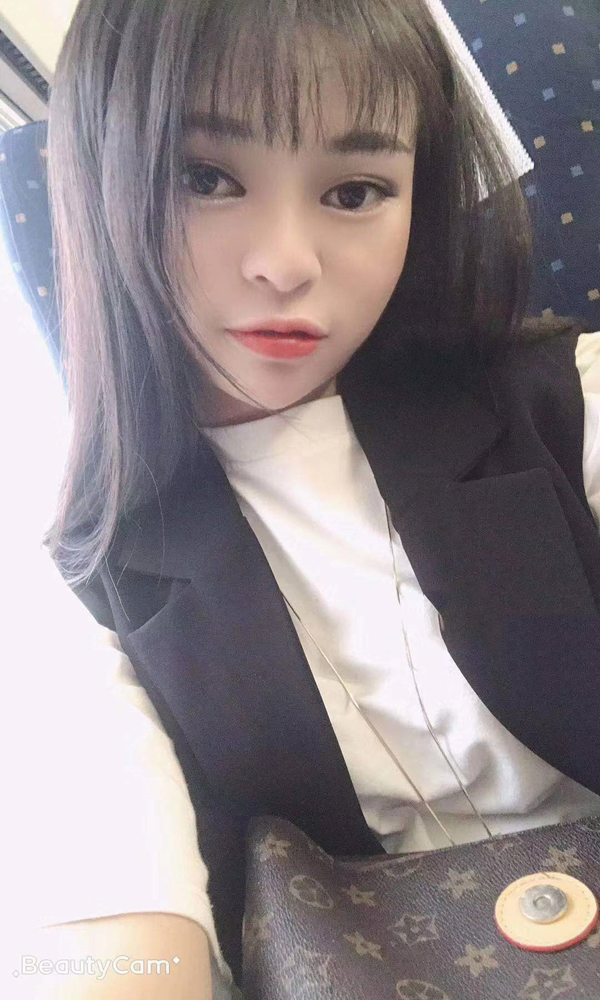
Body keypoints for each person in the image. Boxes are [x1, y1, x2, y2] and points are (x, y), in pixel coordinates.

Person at [9, 0, 600, 997]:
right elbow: (99, 942)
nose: (286, 262)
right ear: (102, 186)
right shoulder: (73, 579)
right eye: (206, 178)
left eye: (355, 190)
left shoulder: (567, 401)